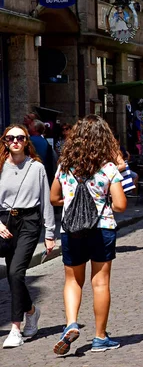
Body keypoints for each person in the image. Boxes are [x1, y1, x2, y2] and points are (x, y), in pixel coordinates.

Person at [50, 115, 127, 354]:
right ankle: (100, 337)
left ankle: (71, 323)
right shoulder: (108, 168)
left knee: (73, 280)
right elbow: (121, 205)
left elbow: (53, 198)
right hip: (101, 227)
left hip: (71, 229)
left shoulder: (65, 166)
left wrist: (72, 201)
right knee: (100, 282)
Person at [0, 125, 55, 349]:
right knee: (15, 277)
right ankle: (32, 311)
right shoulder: (1, 167)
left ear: (26, 141)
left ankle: (15, 328)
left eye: (20, 138)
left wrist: (50, 233)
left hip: (30, 222)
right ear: (4, 141)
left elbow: (46, 199)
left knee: (15, 272)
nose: (15, 141)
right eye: (10, 138)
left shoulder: (37, 168)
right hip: (5, 221)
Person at [28, 119, 55, 185]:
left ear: (35, 129)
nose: (28, 126)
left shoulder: (30, 141)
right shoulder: (45, 141)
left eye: (30, 125)